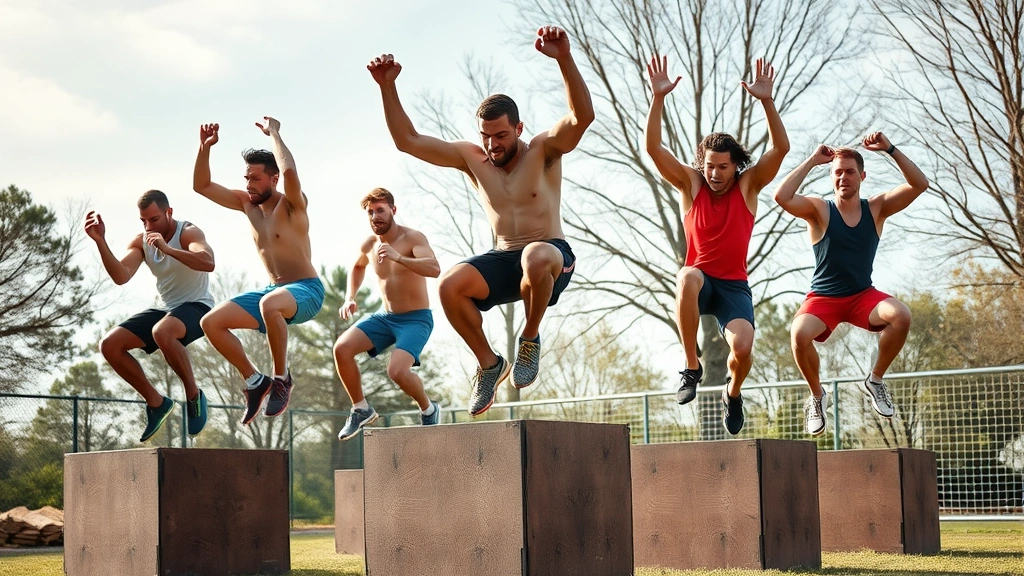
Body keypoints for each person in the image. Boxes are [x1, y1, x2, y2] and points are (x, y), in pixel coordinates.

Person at [368, 26, 594, 416]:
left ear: (518, 129)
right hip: (505, 256)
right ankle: (489, 365)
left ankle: (529, 339)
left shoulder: (544, 150)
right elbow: (407, 139)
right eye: (486, 137)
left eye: (501, 136)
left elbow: (581, 116)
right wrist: (387, 87)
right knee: (450, 285)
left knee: (535, 257)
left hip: (550, 255)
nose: (493, 146)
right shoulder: (473, 160)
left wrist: (564, 59)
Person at [644, 55, 790, 434]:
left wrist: (767, 102)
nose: (714, 174)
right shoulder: (691, 184)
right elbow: (655, 150)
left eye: (722, 167)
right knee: (687, 276)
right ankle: (692, 366)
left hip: (732, 287)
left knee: (742, 347)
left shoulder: (748, 186)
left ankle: (733, 392)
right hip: (701, 282)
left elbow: (780, 150)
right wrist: (658, 98)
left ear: (735, 166)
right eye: (709, 166)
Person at [773, 134, 928, 436]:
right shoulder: (819, 209)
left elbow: (919, 184)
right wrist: (811, 162)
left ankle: (876, 380)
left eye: (850, 171)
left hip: (862, 297)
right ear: (831, 176)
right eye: (837, 172)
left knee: (901, 315)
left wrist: (890, 149)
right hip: (824, 298)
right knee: (798, 335)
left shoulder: (877, 208)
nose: (843, 177)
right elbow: (781, 196)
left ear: (862, 175)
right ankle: (817, 396)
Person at [192, 118, 325, 425]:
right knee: (211, 322)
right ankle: (255, 381)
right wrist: (204, 148)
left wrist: (275, 133)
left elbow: (291, 171)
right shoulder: (246, 205)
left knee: (270, 303)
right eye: (246, 178)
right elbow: (201, 186)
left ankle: (281, 379)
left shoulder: (293, 206)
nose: (249, 184)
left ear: (273, 179)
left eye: (255, 178)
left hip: (306, 290)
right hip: (272, 293)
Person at [87, 190, 215, 441]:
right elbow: (121, 275)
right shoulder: (141, 241)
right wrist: (100, 241)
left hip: (197, 306)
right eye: (143, 221)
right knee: (110, 345)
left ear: (169, 213)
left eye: (154, 219)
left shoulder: (189, 232)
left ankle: (193, 396)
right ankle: (157, 403)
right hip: (165, 309)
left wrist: (168, 249)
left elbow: (208, 261)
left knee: (162, 332)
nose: (148, 226)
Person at [334, 188, 442, 440]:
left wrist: (399, 257)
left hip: (416, 319)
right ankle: (361, 409)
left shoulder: (412, 238)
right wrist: (350, 297)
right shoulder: (370, 244)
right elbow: (358, 266)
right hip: (385, 317)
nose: (375, 217)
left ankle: (428, 408)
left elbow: (434, 268)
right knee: (342, 348)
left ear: (393, 210)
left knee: (397, 372)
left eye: (380, 210)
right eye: (370, 213)